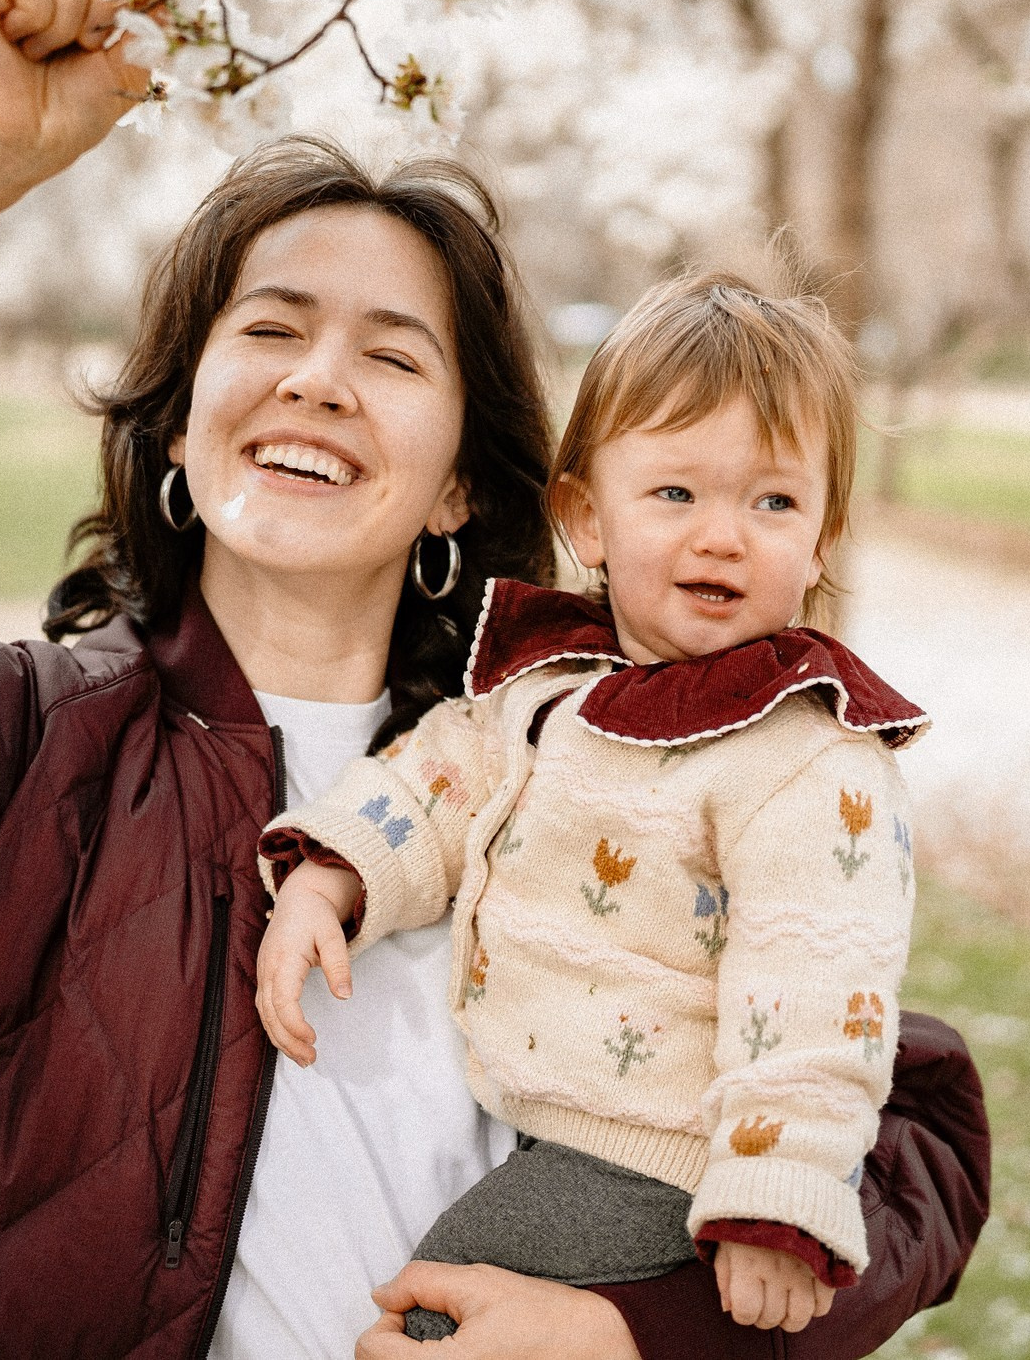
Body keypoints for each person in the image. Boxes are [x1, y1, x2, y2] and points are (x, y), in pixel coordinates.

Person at [0, 0, 989, 1358]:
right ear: (182, 427)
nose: (319, 376)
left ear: (462, 483)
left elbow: (912, 1133)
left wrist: (633, 1335)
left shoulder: (582, 757)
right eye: (268, 329)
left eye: (392, 352)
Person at [256, 274, 922, 1341]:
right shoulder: (552, 690)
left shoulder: (802, 755)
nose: (722, 536)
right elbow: (437, 780)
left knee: (441, 1309)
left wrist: (777, 1201)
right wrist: (329, 878)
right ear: (585, 517)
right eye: (675, 493)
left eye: (773, 502)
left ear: (821, 539)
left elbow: (820, 979)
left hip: (658, 1159)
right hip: (553, 1127)